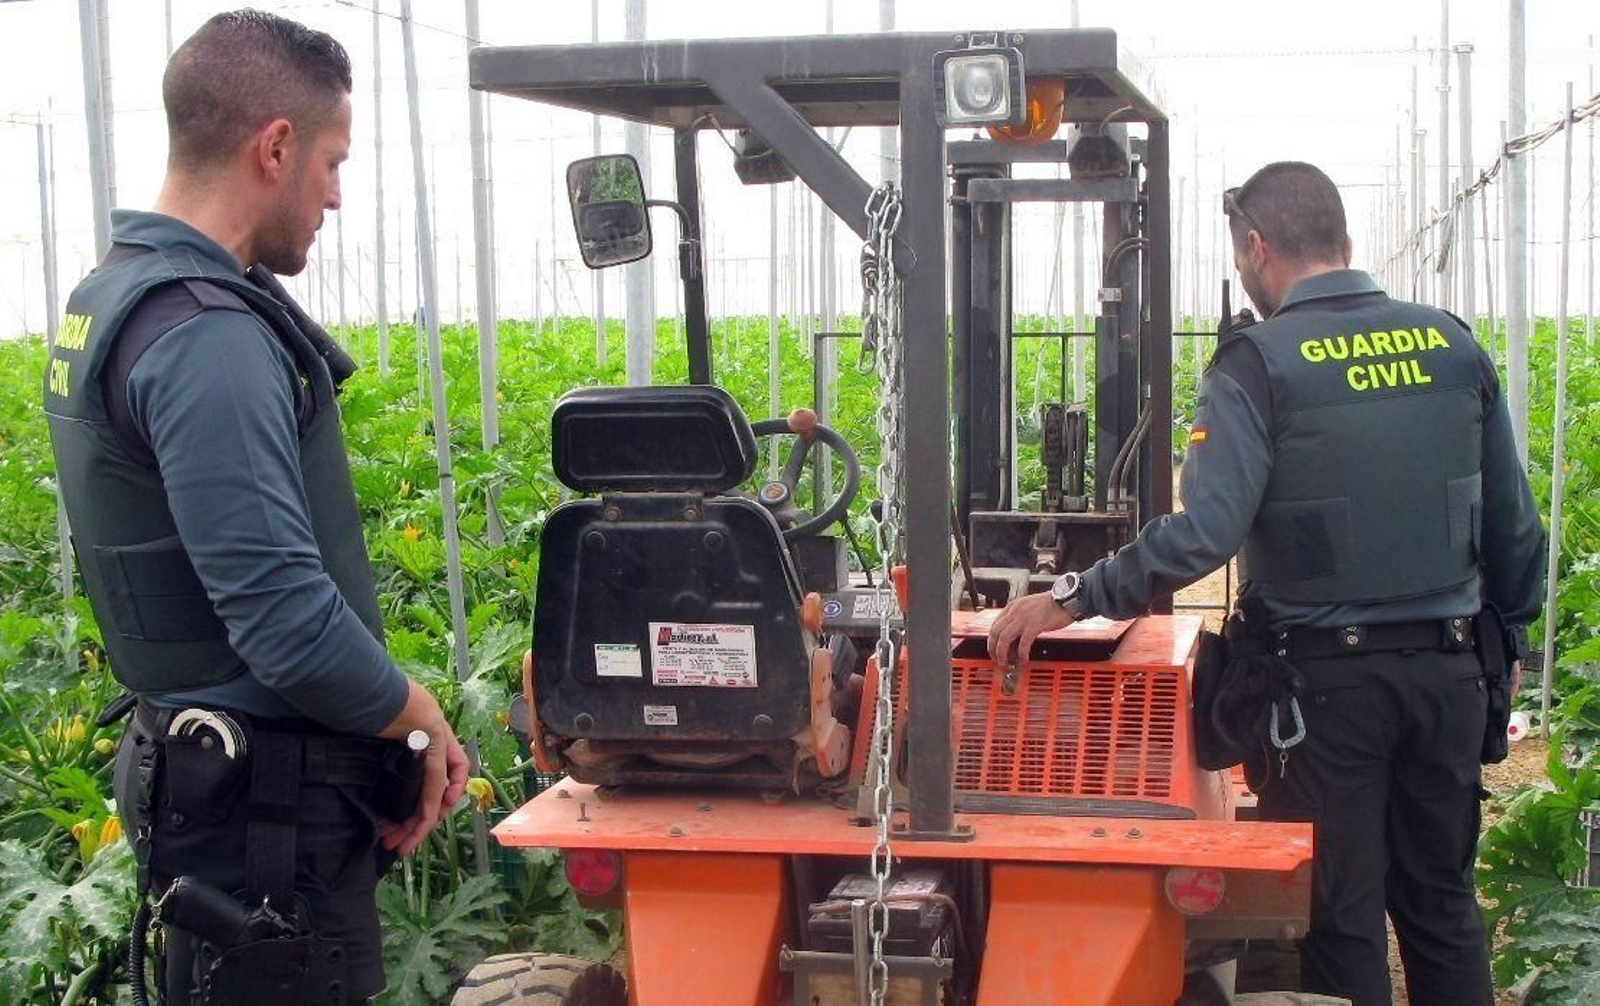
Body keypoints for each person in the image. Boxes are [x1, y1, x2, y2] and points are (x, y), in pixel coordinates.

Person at [988, 161, 1545, 1005]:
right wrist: (1499, 642)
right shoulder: (1451, 344)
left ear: (1256, 247)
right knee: (1441, 908)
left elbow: (1203, 534)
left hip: (1324, 697)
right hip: (1449, 677)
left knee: (1342, 916)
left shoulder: (1259, 363)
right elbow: (1514, 532)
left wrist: (1072, 595)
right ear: (1342, 238)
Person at [43, 11, 468, 1002]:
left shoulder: (113, 296)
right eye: (329, 161)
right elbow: (283, 622)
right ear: (273, 146)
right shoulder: (206, 336)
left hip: (201, 776)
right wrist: (419, 722)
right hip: (266, 814)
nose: (333, 195)